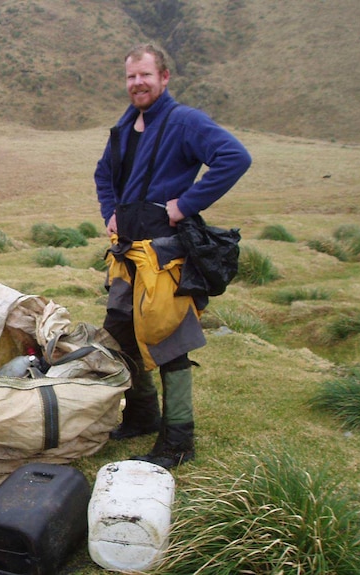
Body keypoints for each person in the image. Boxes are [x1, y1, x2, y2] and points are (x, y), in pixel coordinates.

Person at [93, 44, 252, 469]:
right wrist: (110, 213)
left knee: (169, 342)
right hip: (128, 254)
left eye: (145, 75)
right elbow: (103, 174)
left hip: (165, 254)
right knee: (120, 333)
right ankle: (143, 415)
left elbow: (234, 157)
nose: (137, 83)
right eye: (131, 77)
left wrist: (185, 205)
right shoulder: (125, 128)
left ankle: (179, 440)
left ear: (164, 78)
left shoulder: (184, 122)